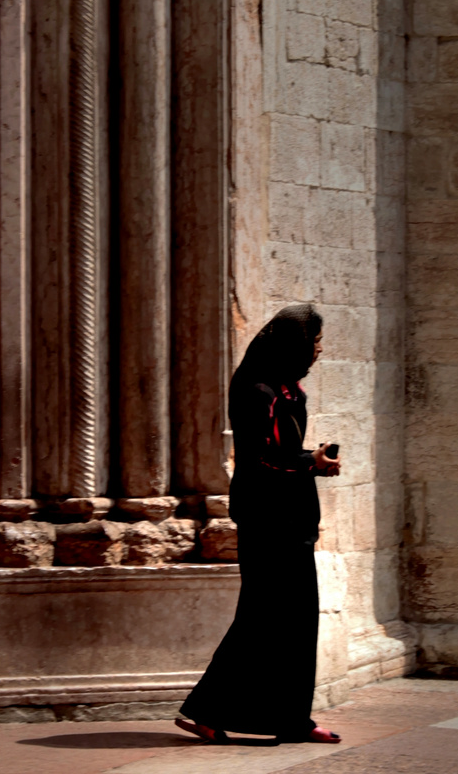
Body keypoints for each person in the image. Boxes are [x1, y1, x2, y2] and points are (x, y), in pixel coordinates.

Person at [175, 303, 342, 745]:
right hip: (268, 520)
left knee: (298, 622)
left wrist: (310, 460)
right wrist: (312, 461)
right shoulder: (259, 390)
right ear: (294, 344)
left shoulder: (287, 389)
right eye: (314, 341)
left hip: (291, 517)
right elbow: (261, 457)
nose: (320, 350)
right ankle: (204, 711)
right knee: (262, 618)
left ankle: (291, 717)